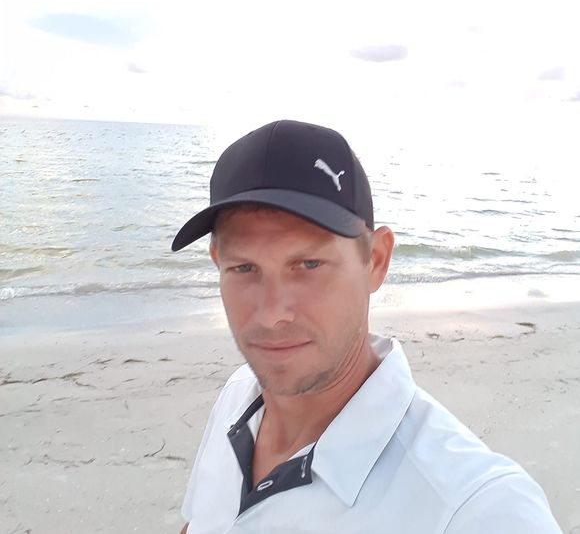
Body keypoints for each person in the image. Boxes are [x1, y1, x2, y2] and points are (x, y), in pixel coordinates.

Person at [172, 120, 561, 533]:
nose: (271, 314)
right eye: (243, 268)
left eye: (308, 264)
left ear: (376, 261)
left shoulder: (474, 508)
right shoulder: (237, 399)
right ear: (217, 263)